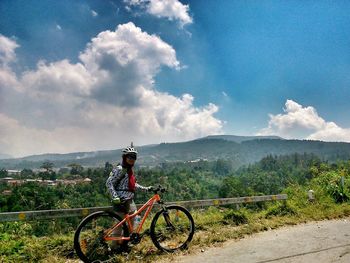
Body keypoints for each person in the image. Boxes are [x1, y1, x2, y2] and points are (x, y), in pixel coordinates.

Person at [106, 143, 152, 224]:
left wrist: (146, 189)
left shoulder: (129, 170)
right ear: (124, 158)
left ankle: (132, 236)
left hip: (130, 200)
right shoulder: (120, 169)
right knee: (119, 225)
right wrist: (114, 196)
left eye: (134, 157)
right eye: (129, 156)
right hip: (121, 201)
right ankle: (114, 236)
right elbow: (109, 183)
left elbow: (133, 185)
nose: (132, 159)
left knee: (136, 221)